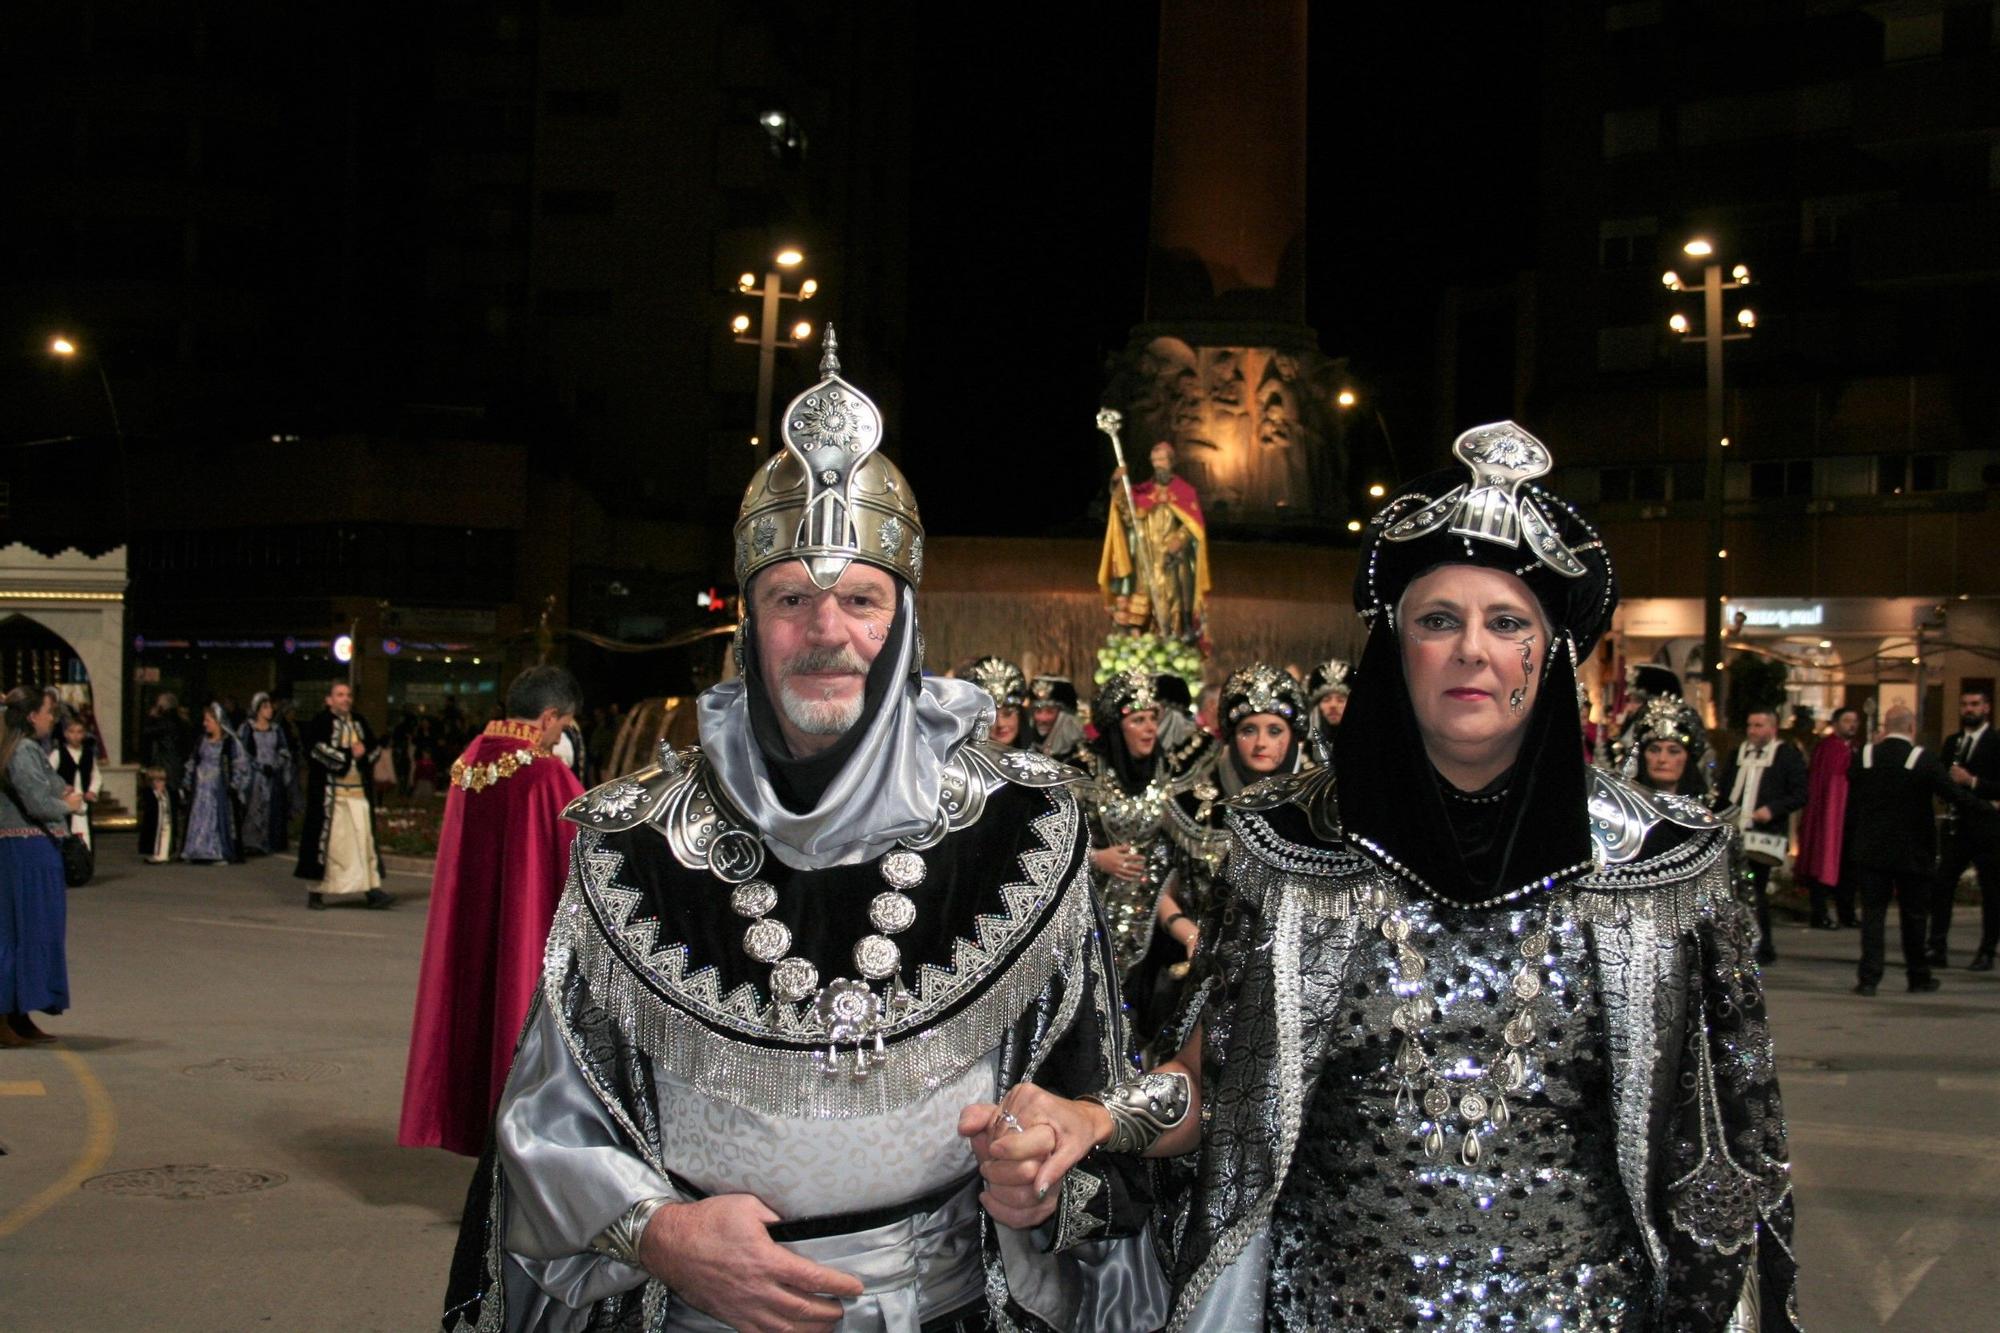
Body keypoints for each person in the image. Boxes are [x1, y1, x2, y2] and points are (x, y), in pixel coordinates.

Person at [977, 422, 1798, 1331]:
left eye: (1508, 622)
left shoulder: (1660, 866)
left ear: (1551, 653)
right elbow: (1212, 1088)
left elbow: (1720, 1159)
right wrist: (1094, 1118)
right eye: (1438, 620)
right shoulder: (1293, 850)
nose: (1471, 650)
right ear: (1395, 647)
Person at [443, 329, 1155, 1333]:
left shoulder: (1020, 828)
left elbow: (1093, 1095)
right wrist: (655, 1235)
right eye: (792, 600)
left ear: (903, 620)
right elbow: (548, 1116)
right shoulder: (635, 839)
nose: (827, 632)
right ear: (748, 621)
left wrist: (1045, 1180)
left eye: (860, 598)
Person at [399, 665, 586, 1157]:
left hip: (467, 935)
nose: (560, 736)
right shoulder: (545, 774)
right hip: (525, 934)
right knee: (516, 1026)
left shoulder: (470, 761)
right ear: (548, 717)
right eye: (563, 725)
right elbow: (586, 852)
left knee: (475, 1020)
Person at [1140, 664, 1309, 1041]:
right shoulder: (1192, 805)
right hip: (1203, 974)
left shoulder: (1322, 810)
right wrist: (1190, 935)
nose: (1261, 743)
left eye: (1274, 730)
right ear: (1231, 735)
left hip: (1298, 979)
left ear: (1294, 737)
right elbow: (1159, 888)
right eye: (1249, 730)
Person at [1846, 705, 1983, 996]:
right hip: (1912, 850)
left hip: (1871, 848)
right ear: (1912, 728)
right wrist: (1988, 810)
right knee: (1914, 916)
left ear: (1884, 727)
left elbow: (1854, 796)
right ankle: (1918, 976)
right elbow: (1953, 795)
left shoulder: (1865, 757)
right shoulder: (1922, 759)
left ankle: (1869, 979)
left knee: (1873, 915)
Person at [1077, 668, 1205, 980]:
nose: (1149, 729)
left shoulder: (1170, 775)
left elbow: (1174, 854)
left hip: (1152, 910)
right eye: (1137, 721)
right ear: (1116, 729)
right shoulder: (1084, 774)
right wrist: (1095, 859)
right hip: (1088, 911)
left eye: (1152, 719)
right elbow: (1062, 844)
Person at [0, 686, 83, 1048]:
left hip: (26, 850)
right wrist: (71, 805)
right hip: (26, 850)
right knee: (23, 933)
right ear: (32, 715)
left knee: (29, 932)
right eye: (49, 710)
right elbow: (40, 800)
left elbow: (54, 785)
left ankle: (19, 1013)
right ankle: (5, 1015)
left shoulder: (26, 750)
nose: (53, 717)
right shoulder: (22, 751)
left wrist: (63, 794)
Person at [1715, 707, 1809, 964]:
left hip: (1763, 836)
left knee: (1756, 891)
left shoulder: (1786, 756)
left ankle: (1763, 946)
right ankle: (1735, 943)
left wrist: (1773, 809)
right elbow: (1725, 788)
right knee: (1731, 891)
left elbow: (1801, 793)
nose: (1752, 731)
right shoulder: (1738, 754)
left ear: (1772, 728)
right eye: (1750, 725)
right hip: (1733, 831)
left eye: (1758, 725)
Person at [1099, 439, 1210, 639]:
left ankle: (1172, 640)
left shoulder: (1184, 492)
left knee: (1171, 598)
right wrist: (1117, 482)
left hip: (1171, 558)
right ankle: (1144, 639)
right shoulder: (1143, 491)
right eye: (1155, 460)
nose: (1158, 464)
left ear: (1172, 462)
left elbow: (1193, 526)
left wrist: (1179, 539)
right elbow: (1124, 509)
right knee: (1144, 595)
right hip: (1146, 555)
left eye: (1162, 460)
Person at [296, 681, 392, 910]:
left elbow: (374, 748)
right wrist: (349, 755)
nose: (345, 699)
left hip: (358, 795)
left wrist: (363, 755)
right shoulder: (320, 723)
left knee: (363, 842)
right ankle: (317, 893)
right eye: (340, 695)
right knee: (331, 848)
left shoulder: (359, 721)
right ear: (329, 699)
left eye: (348, 695)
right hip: (332, 798)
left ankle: (371, 890)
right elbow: (315, 750)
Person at [1930, 687, 2000, 969]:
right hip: (1957, 827)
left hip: (1989, 828)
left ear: (1987, 708)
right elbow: (1942, 778)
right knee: (1942, 884)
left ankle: (1987, 950)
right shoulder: (1953, 742)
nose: (1968, 709)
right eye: (1964, 705)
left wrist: (1972, 782)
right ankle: (1936, 946)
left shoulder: (1997, 742)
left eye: (1974, 704)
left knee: (1992, 890)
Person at [1797, 706, 1863, 929]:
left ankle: (1847, 912)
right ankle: (1821, 913)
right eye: (1847, 720)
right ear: (1835, 724)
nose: (1852, 725)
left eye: (1854, 721)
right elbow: (1825, 785)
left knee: (1849, 866)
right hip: (1829, 817)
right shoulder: (1828, 748)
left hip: (1850, 816)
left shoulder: (1854, 749)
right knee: (1823, 861)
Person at [181, 703, 252, 864]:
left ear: (218, 721)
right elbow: (193, 761)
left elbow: (240, 764)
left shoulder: (229, 742)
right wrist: (187, 782)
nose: (205, 724)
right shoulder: (201, 740)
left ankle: (216, 851)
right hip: (201, 787)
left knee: (215, 819)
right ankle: (196, 850)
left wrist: (235, 785)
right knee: (199, 817)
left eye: (208, 720)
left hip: (217, 786)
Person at [1622, 692, 1714, 799]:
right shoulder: (1624, 805)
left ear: (1688, 758)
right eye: (1654, 750)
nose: (1662, 759)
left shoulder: (1710, 811)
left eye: (1673, 751)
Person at [238, 692, 296, 856]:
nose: (270, 710)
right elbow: (244, 752)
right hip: (255, 775)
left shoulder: (277, 729)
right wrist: (259, 766)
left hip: (273, 774)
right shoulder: (248, 728)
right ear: (257, 710)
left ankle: (271, 841)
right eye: (265, 707)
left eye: (270, 707)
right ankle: (252, 842)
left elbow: (284, 750)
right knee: (254, 807)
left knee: (274, 807)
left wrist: (276, 764)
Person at [48, 711, 101, 849]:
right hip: (65, 802)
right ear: (65, 733)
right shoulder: (58, 753)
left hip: (82, 800)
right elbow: (48, 775)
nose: (75, 736)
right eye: (72, 732)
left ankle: (85, 859)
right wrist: (61, 788)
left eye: (79, 732)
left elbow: (96, 775)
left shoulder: (88, 754)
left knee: (85, 833)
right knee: (67, 833)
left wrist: (92, 791)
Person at [966, 656, 1031, 748]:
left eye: (1007, 714)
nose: (1001, 724)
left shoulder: (1040, 759)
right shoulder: (960, 761)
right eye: (991, 717)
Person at [1027, 675, 1088, 767]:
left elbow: (1094, 736)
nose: (1043, 718)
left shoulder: (1087, 749)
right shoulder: (1026, 746)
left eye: (1050, 711)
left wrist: (1087, 724)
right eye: (1038, 711)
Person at [1301, 656, 1351, 763]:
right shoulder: (1304, 751)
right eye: (1326, 700)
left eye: (1341, 700)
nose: (1333, 705)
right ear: (1317, 707)